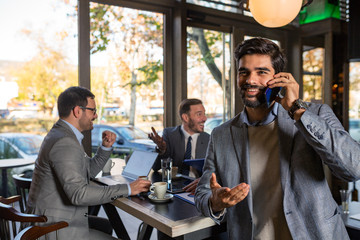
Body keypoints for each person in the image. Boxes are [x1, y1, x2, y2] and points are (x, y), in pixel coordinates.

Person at [195, 37, 360, 240]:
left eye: (261, 72)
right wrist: (215, 201)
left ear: (279, 78)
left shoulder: (314, 114)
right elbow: (202, 194)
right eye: (243, 72)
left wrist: (297, 111)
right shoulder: (221, 134)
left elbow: (354, 168)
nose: (250, 80)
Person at [25, 86, 151, 239]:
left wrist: (105, 148)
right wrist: (129, 188)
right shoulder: (65, 142)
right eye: (93, 110)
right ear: (78, 111)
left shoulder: (63, 134)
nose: (96, 115)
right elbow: (79, 194)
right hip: (53, 228)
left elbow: (87, 172)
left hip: (54, 218)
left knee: (105, 225)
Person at [149, 98, 209, 193]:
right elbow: (155, 168)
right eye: (199, 114)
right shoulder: (170, 135)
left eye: (204, 114)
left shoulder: (209, 139)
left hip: (199, 190)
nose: (204, 118)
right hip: (175, 189)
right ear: (185, 117)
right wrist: (161, 149)